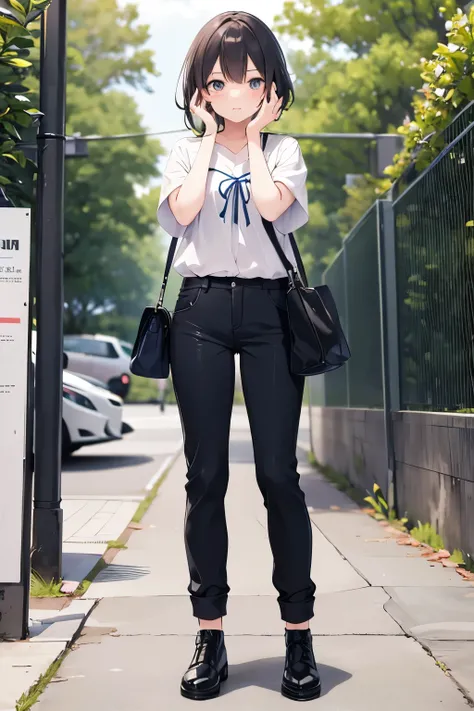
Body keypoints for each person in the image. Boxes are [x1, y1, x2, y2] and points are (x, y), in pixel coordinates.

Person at [157, 11, 320, 702]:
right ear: (201, 86)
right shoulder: (181, 156)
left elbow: (268, 203)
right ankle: (210, 633)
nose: (235, 91)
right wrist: (205, 143)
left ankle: (299, 633)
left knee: (280, 475)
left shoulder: (282, 154)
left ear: (269, 86)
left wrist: (251, 138)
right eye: (221, 80)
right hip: (198, 312)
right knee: (205, 474)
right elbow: (186, 211)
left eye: (250, 79)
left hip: (269, 314)